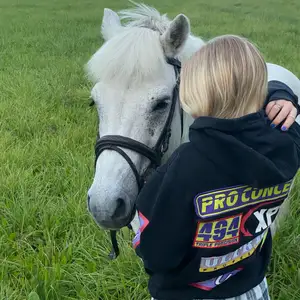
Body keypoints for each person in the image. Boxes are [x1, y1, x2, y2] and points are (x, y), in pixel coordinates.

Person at [132, 35, 300, 300]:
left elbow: (158, 255)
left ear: (195, 98)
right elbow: (276, 92)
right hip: (250, 288)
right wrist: (282, 93)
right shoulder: (288, 141)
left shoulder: (185, 167)